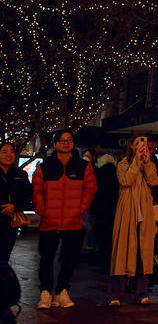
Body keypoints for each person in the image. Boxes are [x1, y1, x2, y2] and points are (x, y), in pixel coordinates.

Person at [32, 129, 97, 310]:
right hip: (49, 222)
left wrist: (80, 208)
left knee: (69, 259)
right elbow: (36, 191)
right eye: (62, 140)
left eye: (69, 140)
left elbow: (91, 189)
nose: (66, 143)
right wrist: (43, 211)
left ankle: (62, 291)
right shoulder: (44, 167)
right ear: (54, 144)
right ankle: (45, 292)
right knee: (46, 259)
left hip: (73, 222)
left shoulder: (83, 166)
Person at [108, 134, 158, 307]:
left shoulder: (150, 164)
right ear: (131, 146)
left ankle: (142, 293)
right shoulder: (123, 164)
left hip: (144, 214)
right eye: (138, 143)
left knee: (144, 254)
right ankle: (116, 295)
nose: (142, 146)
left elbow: (154, 181)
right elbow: (126, 180)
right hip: (127, 213)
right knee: (121, 253)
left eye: (145, 143)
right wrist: (137, 161)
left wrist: (147, 163)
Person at [0, 142, 31, 264]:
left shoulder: (20, 174)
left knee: (4, 258)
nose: (9, 155)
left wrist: (14, 205)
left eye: (12, 152)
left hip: (11, 223)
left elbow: (28, 195)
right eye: (4, 152)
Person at [91, 154, 119, 265]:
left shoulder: (98, 174)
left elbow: (95, 193)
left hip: (101, 209)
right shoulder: (117, 174)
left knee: (101, 235)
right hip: (113, 209)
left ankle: (101, 256)